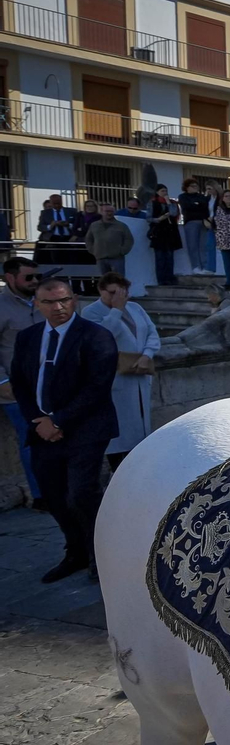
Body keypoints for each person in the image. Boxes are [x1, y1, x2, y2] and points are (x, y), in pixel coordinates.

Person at [10, 275, 119, 582]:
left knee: (82, 493)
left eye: (65, 300)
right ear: (37, 304)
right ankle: (76, 552)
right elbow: (20, 381)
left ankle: (102, 556)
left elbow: (97, 387)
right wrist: (39, 420)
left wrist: (58, 420)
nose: (59, 307)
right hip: (43, 430)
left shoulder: (95, 335)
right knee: (53, 495)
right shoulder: (28, 337)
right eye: (50, 302)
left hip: (86, 428)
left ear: (74, 300)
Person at [79, 272, 158, 471]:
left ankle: (139, 467)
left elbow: (151, 332)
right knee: (119, 429)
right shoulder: (91, 312)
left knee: (140, 426)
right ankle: (118, 470)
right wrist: (116, 310)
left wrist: (147, 354)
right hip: (114, 378)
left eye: (122, 293)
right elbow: (101, 338)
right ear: (101, 290)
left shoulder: (136, 308)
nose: (118, 297)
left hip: (140, 372)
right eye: (113, 293)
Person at [0, 257, 44, 502]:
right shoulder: (1, 306)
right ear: (10, 278)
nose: (35, 281)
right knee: (31, 440)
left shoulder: (42, 302)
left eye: (37, 276)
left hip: (48, 387)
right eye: (29, 277)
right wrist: (2, 383)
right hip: (15, 390)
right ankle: (39, 495)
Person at [146, 184, 182, 286]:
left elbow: (174, 213)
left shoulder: (172, 203)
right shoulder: (152, 203)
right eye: (162, 191)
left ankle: (170, 278)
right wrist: (158, 219)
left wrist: (168, 202)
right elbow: (148, 218)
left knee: (170, 257)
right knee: (160, 258)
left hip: (170, 232)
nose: (165, 193)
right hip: (159, 233)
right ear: (157, 192)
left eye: (166, 190)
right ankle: (161, 279)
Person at [85, 203, 133, 277]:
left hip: (117, 258)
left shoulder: (121, 226)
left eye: (111, 211)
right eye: (107, 211)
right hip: (100, 257)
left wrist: (122, 251)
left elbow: (129, 239)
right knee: (104, 281)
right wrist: (93, 250)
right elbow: (88, 239)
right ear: (101, 212)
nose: (109, 213)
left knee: (119, 280)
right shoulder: (94, 225)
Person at [177, 180, 210, 275]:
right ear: (186, 187)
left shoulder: (201, 197)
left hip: (203, 222)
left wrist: (197, 205)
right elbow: (188, 207)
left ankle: (204, 266)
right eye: (192, 186)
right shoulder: (183, 197)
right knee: (192, 246)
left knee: (203, 246)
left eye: (196, 186)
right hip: (190, 222)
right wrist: (197, 205)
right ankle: (195, 267)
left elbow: (204, 207)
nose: (195, 187)